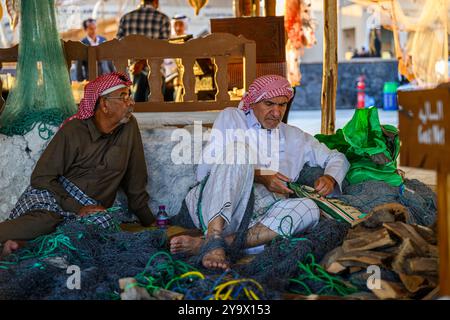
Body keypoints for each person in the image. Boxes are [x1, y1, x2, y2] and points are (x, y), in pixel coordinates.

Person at [169, 75, 350, 270]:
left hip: (260, 223)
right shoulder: (232, 117)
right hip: (219, 205)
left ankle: (209, 244)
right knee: (237, 151)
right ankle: (213, 238)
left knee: (309, 209)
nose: (276, 112)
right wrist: (260, 176)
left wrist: (330, 177)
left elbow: (337, 158)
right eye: (269, 104)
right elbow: (209, 168)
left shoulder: (296, 136)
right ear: (253, 102)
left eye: (282, 105)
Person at [0, 72, 154, 259]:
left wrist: (151, 223)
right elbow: (41, 177)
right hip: (53, 199)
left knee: (102, 223)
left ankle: (21, 246)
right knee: (47, 221)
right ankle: (16, 240)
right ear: (104, 104)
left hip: (90, 212)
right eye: (123, 97)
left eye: (129, 95)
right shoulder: (74, 131)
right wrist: (75, 207)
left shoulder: (129, 127)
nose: (130, 102)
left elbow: (135, 180)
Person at [116, 0, 171, 102]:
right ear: (156, 2)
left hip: (134, 72)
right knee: (156, 111)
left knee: (136, 112)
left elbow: (119, 49)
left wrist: (138, 62)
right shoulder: (163, 19)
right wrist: (144, 61)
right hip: (156, 73)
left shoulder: (126, 19)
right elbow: (163, 49)